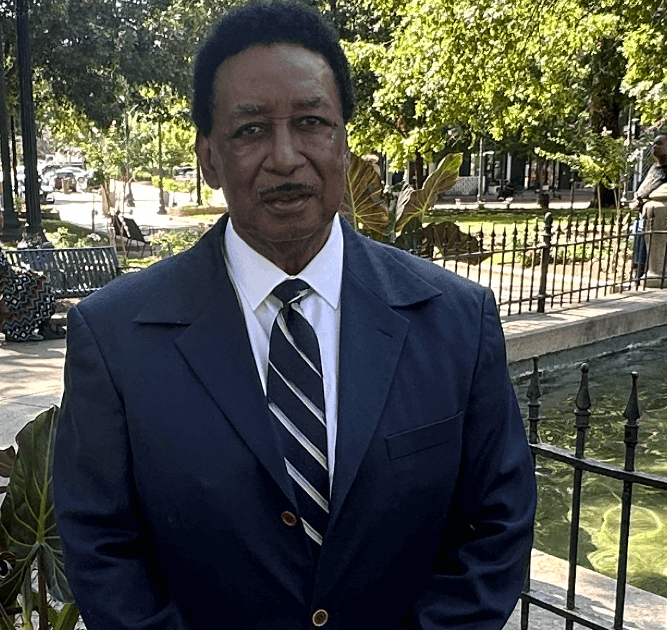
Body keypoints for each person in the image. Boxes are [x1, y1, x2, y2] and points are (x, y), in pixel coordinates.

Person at [52, 3, 537, 630]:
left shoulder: (456, 321)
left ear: (343, 142)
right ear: (208, 157)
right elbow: (101, 546)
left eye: (311, 123)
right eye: (251, 130)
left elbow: (496, 523)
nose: (284, 157)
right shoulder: (116, 339)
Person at [0, 201, 64, 342]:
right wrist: (0, 301)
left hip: (5, 281)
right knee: (40, 286)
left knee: (38, 279)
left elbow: (0, 267)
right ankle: (21, 329)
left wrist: (20, 271)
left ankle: (37, 326)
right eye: (1, 216)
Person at [631, 131, 667, 281]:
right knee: (640, 257)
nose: (654, 146)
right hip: (644, 216)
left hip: (661, 219)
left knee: (657, 259)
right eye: (653, 143)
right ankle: (639, 278)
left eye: (659, 143)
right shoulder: (654, 167)